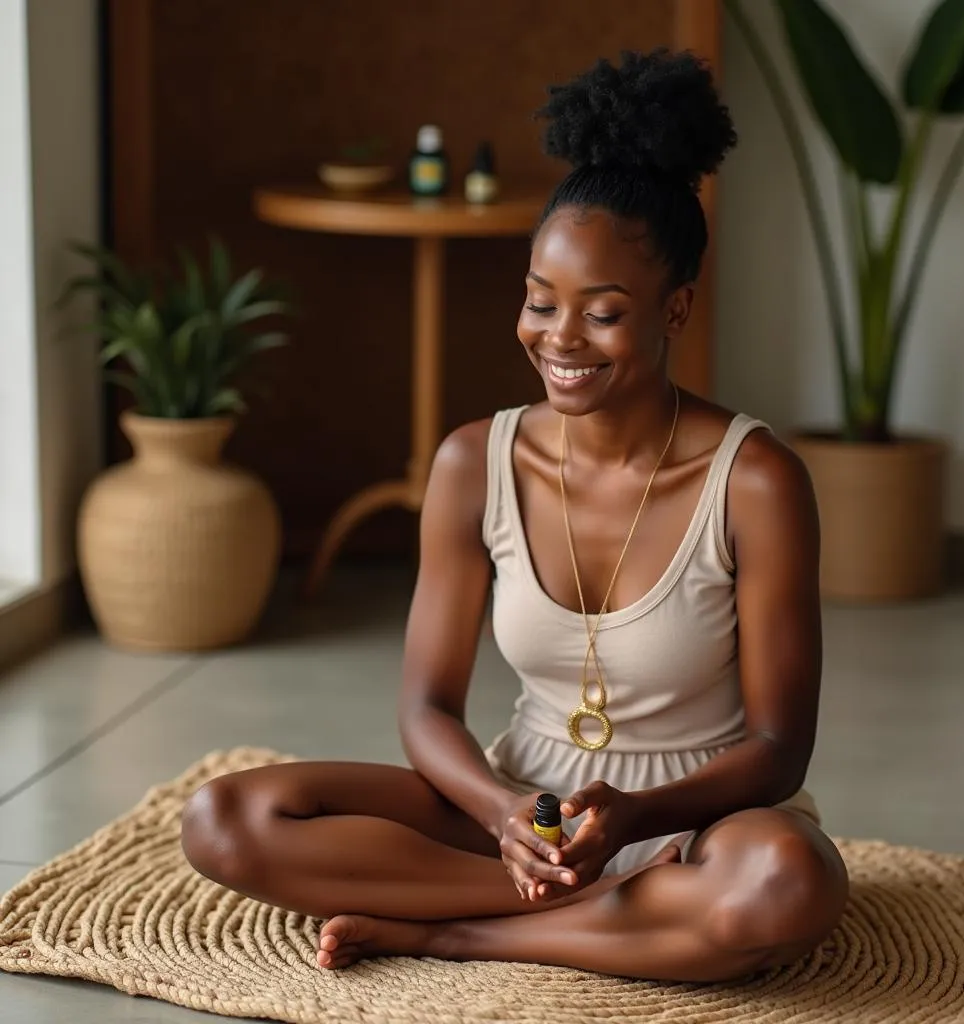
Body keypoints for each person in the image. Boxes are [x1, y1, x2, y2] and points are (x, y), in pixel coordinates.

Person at [180, 48, 849, 984]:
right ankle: (597, 910)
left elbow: (779, 749)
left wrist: (640, 819)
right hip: (524, 808)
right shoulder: (473, 463)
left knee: (786, 882)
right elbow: (426, 707)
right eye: (540, 302)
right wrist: (504, 814)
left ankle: (452, 932)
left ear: (676, 308)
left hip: (700, 824)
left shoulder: (758, 479)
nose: (559, 339)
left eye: (604, 313)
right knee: (225, 821)